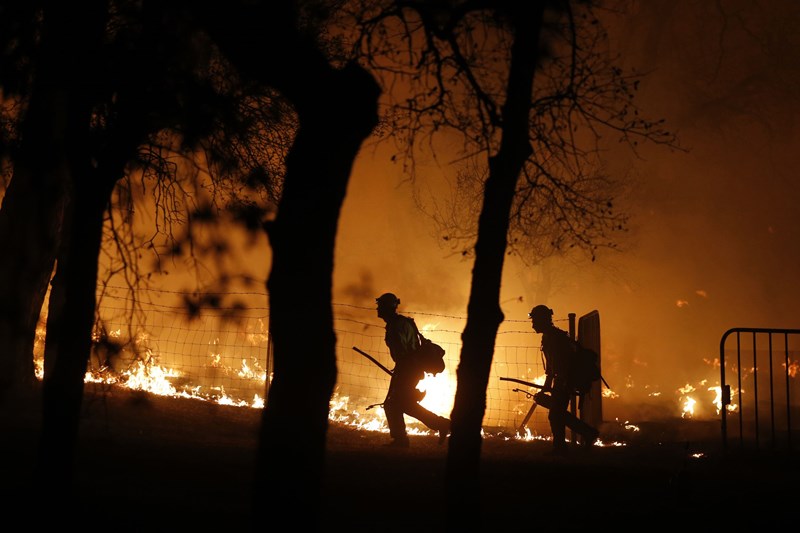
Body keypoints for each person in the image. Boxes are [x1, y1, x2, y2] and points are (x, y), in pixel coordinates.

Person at [376, 292, 450, 448]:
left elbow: (403, 349)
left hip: (408, 369)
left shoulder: (396, 325)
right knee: (403, 404)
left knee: (394, 404)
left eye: (380, 306)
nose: (377, 309)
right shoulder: (402, 322)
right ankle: (440, 425)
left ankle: (402, 439)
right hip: (410, 368)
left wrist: (402, 367)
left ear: (387, 307)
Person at [529, 304, 599, 455]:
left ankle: (563, 446)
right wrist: (547, 386)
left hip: (565, 380)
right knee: (558, 413)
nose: (533, 324)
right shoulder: (548, 337)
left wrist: (562, 384)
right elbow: (551, 368)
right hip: (560, 380)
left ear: (543, 320)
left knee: (555, 414)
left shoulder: (556, 338)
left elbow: (563, 365)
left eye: (535, 321)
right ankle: (585, 434)